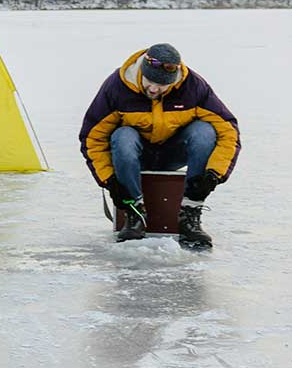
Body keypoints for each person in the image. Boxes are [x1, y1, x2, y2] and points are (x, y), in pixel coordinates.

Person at [78, 43, 240, 250]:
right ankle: (134, 214)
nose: (154, 89)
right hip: (134, 153)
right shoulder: (117, 86)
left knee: (204, 132)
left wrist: (213, 175)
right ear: (141, 73)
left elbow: (229, 131)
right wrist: (109, 181)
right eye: (150, 82)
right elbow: (92, 137)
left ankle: (190, 213)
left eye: (162, 86)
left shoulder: (193, 87)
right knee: (122, 135)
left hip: (173, 152)